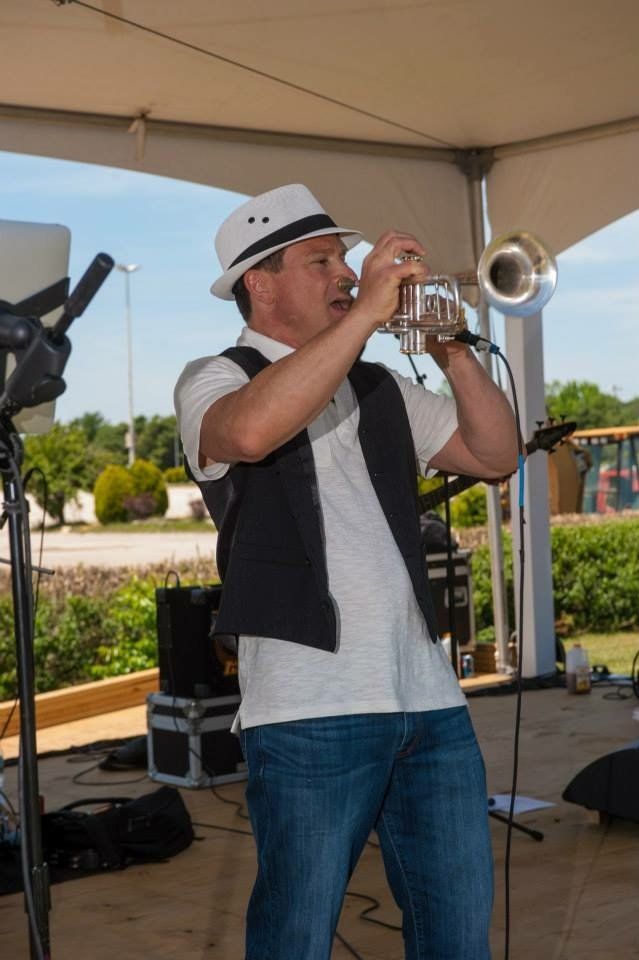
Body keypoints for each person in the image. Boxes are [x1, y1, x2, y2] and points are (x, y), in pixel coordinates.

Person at [174, 183, 518, 960]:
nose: (343, 273)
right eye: (320, 260)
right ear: (258, 284)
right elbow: (254, 431)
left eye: (342, 260)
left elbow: (496, 456)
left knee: (456, 932)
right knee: (296, 935)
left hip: (426, 700)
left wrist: (449, 348)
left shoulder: (377, 383)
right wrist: (366, 312)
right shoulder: (212, 378)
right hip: (307, 709)